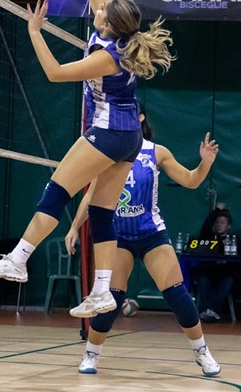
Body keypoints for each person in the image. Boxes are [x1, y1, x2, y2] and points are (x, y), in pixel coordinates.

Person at [0, 0, 174, 319]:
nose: (96, 7)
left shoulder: (107, 57)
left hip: (109, 132)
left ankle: (18, 260)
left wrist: (35, 32)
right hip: (128, 137)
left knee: (57, 190)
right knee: (100, 212)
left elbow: (55, 73)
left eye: (102, 10)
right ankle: (102, 291)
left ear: (109, 24)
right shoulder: (115, 32)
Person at [65, 107, 221, 377]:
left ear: (140, 118)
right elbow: (91, 195)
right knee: (110, 296)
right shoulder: (108, 152)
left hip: (151, 233)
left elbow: (191, 180)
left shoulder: (156, 152)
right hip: (118, 236)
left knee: (176, 293)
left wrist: (205, 162)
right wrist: (73, 228)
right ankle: (91, 354)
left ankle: (201, 351)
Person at [195, 206, 238, 323]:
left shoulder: (233, 240)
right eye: (217, 222)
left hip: (225, 274)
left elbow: (237, 260)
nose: (219, 225)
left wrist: (225, 263)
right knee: (203, 278)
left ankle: (210, 310)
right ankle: (211, 311)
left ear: (228, 225)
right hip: (210, 272)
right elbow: (205, 226)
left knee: (230, 280)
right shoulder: (209, 237)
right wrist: (217, 211)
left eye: (223, 223)